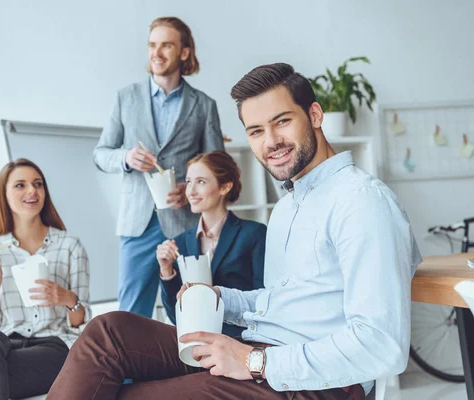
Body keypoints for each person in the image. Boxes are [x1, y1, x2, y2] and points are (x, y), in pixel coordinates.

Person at [47, 63, 422, 400]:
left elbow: (381, 346)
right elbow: (282, 302)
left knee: (126, 395)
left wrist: (256, 361)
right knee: (109, 332)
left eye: (282, 121)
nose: (270, 141)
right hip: (262, 349)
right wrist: (221, 298)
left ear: (315, 114)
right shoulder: (289, 205)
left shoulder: (361, 201)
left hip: (314, 385)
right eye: (256, 130)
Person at [93, 16, 224, 318]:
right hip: (137, 224)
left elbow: (218, 166)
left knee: (193, 308)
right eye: (152, 45)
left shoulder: (204, 106)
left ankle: (190, 366)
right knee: (131, 315)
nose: (157, 52)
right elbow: (100, 155)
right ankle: (131, 367)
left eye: (166, 45)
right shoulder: (125, 98)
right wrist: (126, 158)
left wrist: (191, 187)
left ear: (184, 52)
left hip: (186, 224)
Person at [0, 159, 89, 399]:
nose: (32, 191)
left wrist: (67, 298)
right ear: (4, 195)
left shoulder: (70, 246)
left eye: (38, 184)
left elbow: (81, 323)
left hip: (54, 348)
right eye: (20, 185)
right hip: (5, 345)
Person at [156, 151, 265, 337]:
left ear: (224, 187)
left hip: (240, 339)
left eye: (201, 182)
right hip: (193, 340)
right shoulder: (180, 242)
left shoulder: (254, 234)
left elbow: (263, 301)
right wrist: (166, 270)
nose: (190, 191)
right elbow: (175, 315)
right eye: (189, 181)